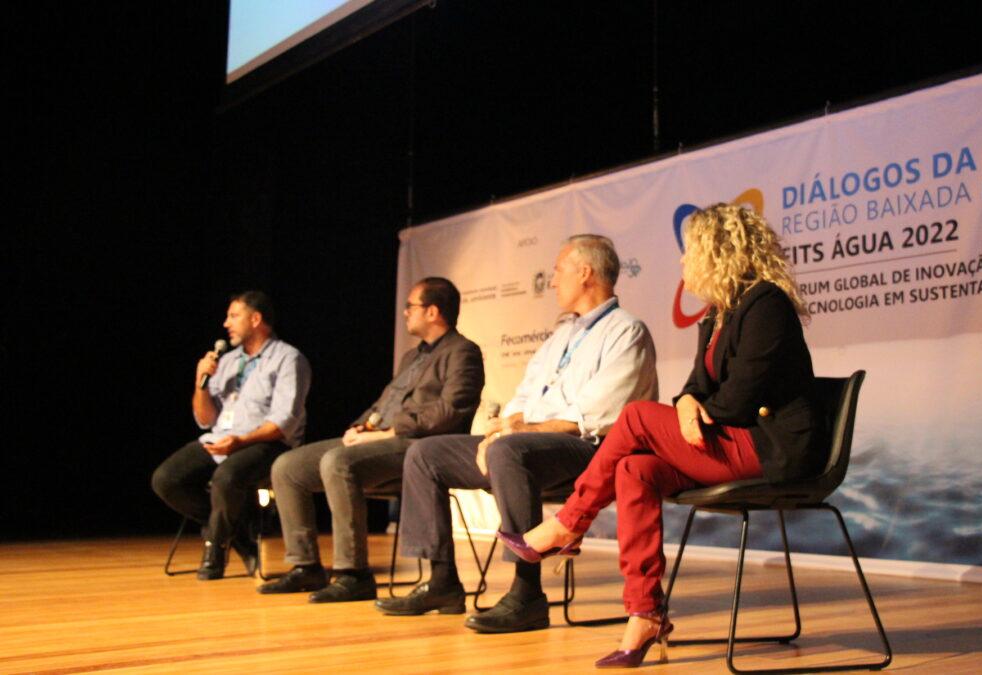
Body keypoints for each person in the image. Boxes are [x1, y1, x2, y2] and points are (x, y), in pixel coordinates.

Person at [502, 203, 827, 668]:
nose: (682, 260)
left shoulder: (766, 305)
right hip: (728, 439)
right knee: (635, 469)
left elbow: (738, 399)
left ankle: (569, 523)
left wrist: (693, 408)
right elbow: (695, 386)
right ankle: (645, 613)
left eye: (689, 250)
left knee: (636, 417)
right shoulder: (719, 313)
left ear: (716, 252)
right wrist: (688, 404)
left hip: (771, 450)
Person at [375, 234, 659, 634]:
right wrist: (499, 431)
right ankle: (442, 582)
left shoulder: (626, 332)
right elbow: (524, 397)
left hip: (590, 452)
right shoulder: (562, 335)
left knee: (510, 450)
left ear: (585, 272)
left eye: (558, 270)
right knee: (426, 454)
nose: (552, 280)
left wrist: (515, 434)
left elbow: (599, 414)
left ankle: (527, 595)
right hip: (527, 445)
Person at [256, 277, 484, 602]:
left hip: (419, 446)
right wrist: (361, 428)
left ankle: (354, 574)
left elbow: (450, 411)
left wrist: (390, 432)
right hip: (379, 439)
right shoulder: (412, 357)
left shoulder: (463, 352)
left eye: (411, 306)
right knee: (287, 467)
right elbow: (383, 404)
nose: (405, 312)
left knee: (337, 462)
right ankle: (306, 566)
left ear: (432, 312)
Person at [151, 291, 312, 580]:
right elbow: (205, 419)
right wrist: (200, 382)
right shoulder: (226, 360)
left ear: (256, 319)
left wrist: (241, 442)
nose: (226, 323)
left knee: (226, 478)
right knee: (166, 479)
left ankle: (215, 549)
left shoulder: (288, 359)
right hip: (222, 439)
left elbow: (284, 423)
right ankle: (238, 535)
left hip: (267, 443)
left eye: (234, 316)